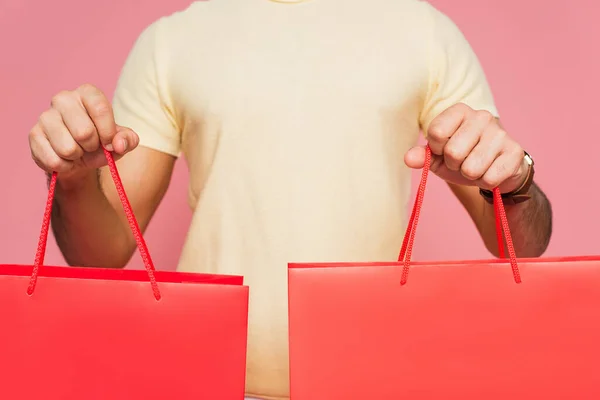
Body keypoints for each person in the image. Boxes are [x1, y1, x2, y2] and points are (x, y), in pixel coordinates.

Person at [27, 0, 553, 398]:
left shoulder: (423, 30)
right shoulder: (174, 40)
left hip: (373, 381)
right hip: (209, 379)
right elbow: (100, 255)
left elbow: (519, 246)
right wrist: (73, 179)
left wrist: (516, 181)